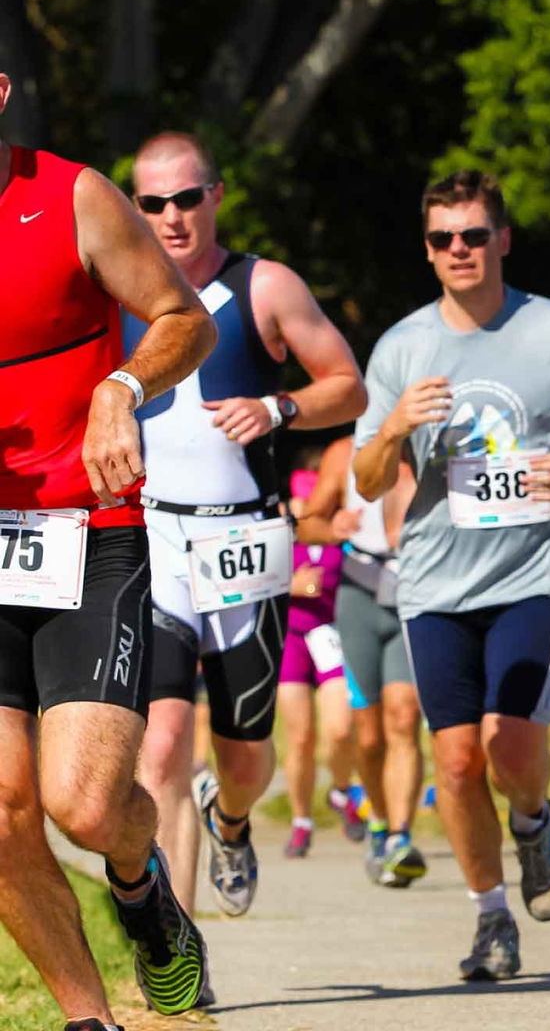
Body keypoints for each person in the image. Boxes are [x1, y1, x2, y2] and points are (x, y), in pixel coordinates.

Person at [352, 169, 550, 981]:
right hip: (435, 582)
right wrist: (396, 424)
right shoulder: (402, 346)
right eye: (444, 238)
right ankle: (491, 918)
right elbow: (366, 480)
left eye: (474, 234)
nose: (460, 250)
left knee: (509, 742)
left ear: (502, 238)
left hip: (534, 572)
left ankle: (535, 822)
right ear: (428, 250)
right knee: (458, 763)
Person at [0, 71, 218, 1027]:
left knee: (83, 806)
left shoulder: (74, 196)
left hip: (89, 534)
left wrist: (121, 385)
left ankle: (141, 886)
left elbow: (186, 318)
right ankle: (91, 1019)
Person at [124, 131, 367, 926]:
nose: (171, 217)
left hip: (245, 541)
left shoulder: (264, 285)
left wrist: (279, 407)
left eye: (187, 198)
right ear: (134, 208)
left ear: (216, 197)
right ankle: (178, 948)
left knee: (243, 751)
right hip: (152, 535)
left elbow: (350, 388)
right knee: (161, 740)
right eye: (152, 202)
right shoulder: (113, 291)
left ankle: (231, 820)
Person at [297, 434, 428, 886]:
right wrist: (332, 527)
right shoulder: (342, 453)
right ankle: (378, 822)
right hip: (359, 596)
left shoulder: (434, 447)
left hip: (416, 594)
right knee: (368, 738)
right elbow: (307, 523)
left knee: (404, 717)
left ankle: (400, 836)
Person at [278, 447, 358, 859]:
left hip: (329, 633)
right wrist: (289, 585)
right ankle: (301, 819)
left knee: (341, 729)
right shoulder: (277, 530)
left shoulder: (343, 531)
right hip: (291, 636)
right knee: (301, 737)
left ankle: (341, 791)